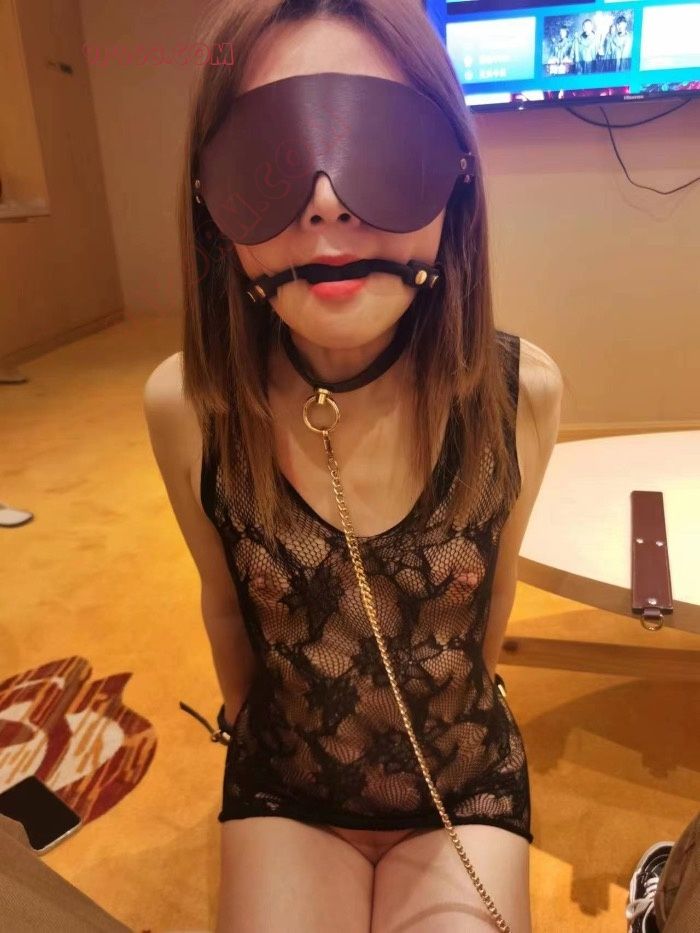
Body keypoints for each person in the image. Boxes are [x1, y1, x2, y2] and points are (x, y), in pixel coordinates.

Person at [143, 1, 563, 931]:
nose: (328, 200)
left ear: (455, 171)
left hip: (460, 781)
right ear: (211, 197)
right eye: (274, 155)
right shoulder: (189, 406)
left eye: (376, 143)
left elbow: (492, 606)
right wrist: (261, 743)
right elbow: (226, 606)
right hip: (290, 782)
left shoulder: (521, 393)